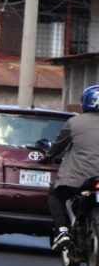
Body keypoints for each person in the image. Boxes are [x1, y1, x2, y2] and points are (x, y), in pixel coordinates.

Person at [44, 84, 99, 251]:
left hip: (78, 180)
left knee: (55, 194)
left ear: (85, 103)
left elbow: (58, 145)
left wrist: (48, 157)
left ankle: (62, 231)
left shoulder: (74, 122)